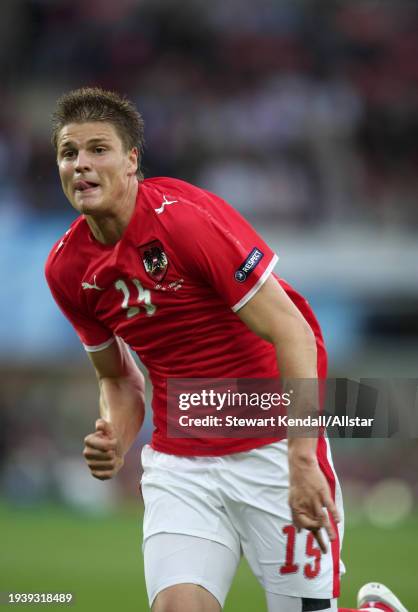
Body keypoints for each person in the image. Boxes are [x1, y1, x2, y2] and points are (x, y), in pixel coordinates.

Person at [45, 87, 408, 612]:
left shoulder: (185, 221)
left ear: (131, 161)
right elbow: (120, 379)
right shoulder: (67, 269)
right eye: (68, 153)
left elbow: (294, 331)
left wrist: (302, 458)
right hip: (181, 464)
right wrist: (116, 438)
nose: (81, 164)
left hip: (272, 448)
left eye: (98, 149)